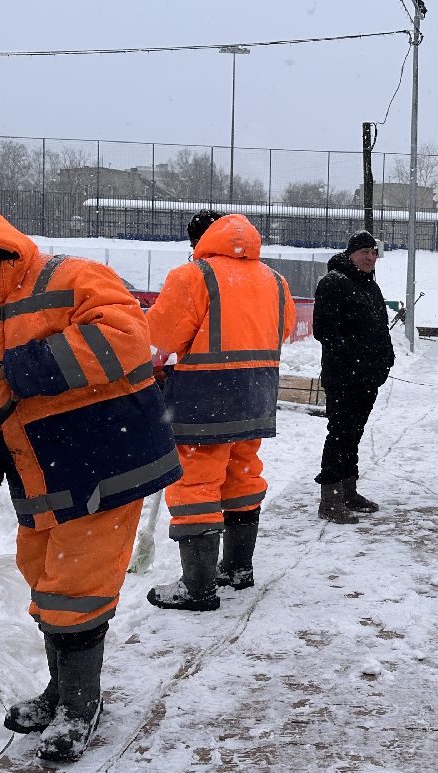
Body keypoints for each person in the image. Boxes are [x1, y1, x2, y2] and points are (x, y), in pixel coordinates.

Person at [0, 193, 182, 762]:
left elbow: (128, 340)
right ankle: (61, 689)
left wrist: (25, 368)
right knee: (42, 577)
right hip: (39, 471)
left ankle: (80, 705)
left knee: (76, 587)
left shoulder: (71, 278)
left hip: (105, 458)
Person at [145, 212, 295, 610]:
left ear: (202, 242)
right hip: (256, 395)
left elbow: (162, 334)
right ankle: (237, 569)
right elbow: (283, 329)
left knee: (196, 483)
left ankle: (198, 587)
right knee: (243, 472)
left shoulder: (193, 275)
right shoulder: (275, 280)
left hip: (204, 399)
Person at [312, 231, 396, 522]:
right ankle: (331, 500)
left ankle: (349, 491)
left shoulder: (370, 286)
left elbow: (380, 329)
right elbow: (325, 331)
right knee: (340, 435)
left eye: (374, 253)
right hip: (344, 378)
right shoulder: (333, 283)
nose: (370, 258)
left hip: (367, 378)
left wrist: (386, 360)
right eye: (364, 253)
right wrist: (353, 360)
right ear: (351, 254)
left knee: (353, 435)